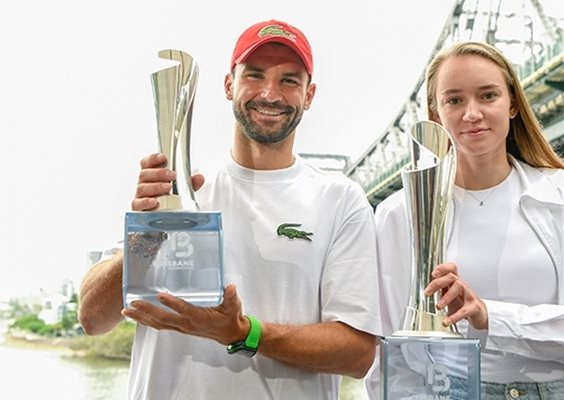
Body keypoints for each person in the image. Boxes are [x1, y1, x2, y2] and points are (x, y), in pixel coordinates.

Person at [78, 19, 381, 400]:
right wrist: (150, 231)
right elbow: (92, 317)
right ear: (228, 84)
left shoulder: (341, 199)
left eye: (289, 80)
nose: (270, 93)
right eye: (254, 75)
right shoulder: (182, 187)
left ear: (309, 95)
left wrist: (242, 332)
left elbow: (357, 354)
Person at [365, 41, 564, 400]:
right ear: (435, 114)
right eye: (454, 100)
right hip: (446, 393)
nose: (472, 113)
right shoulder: (399, 213)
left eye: (487, 95)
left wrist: (489, 317)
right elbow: (387, 346)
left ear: (513, 103)